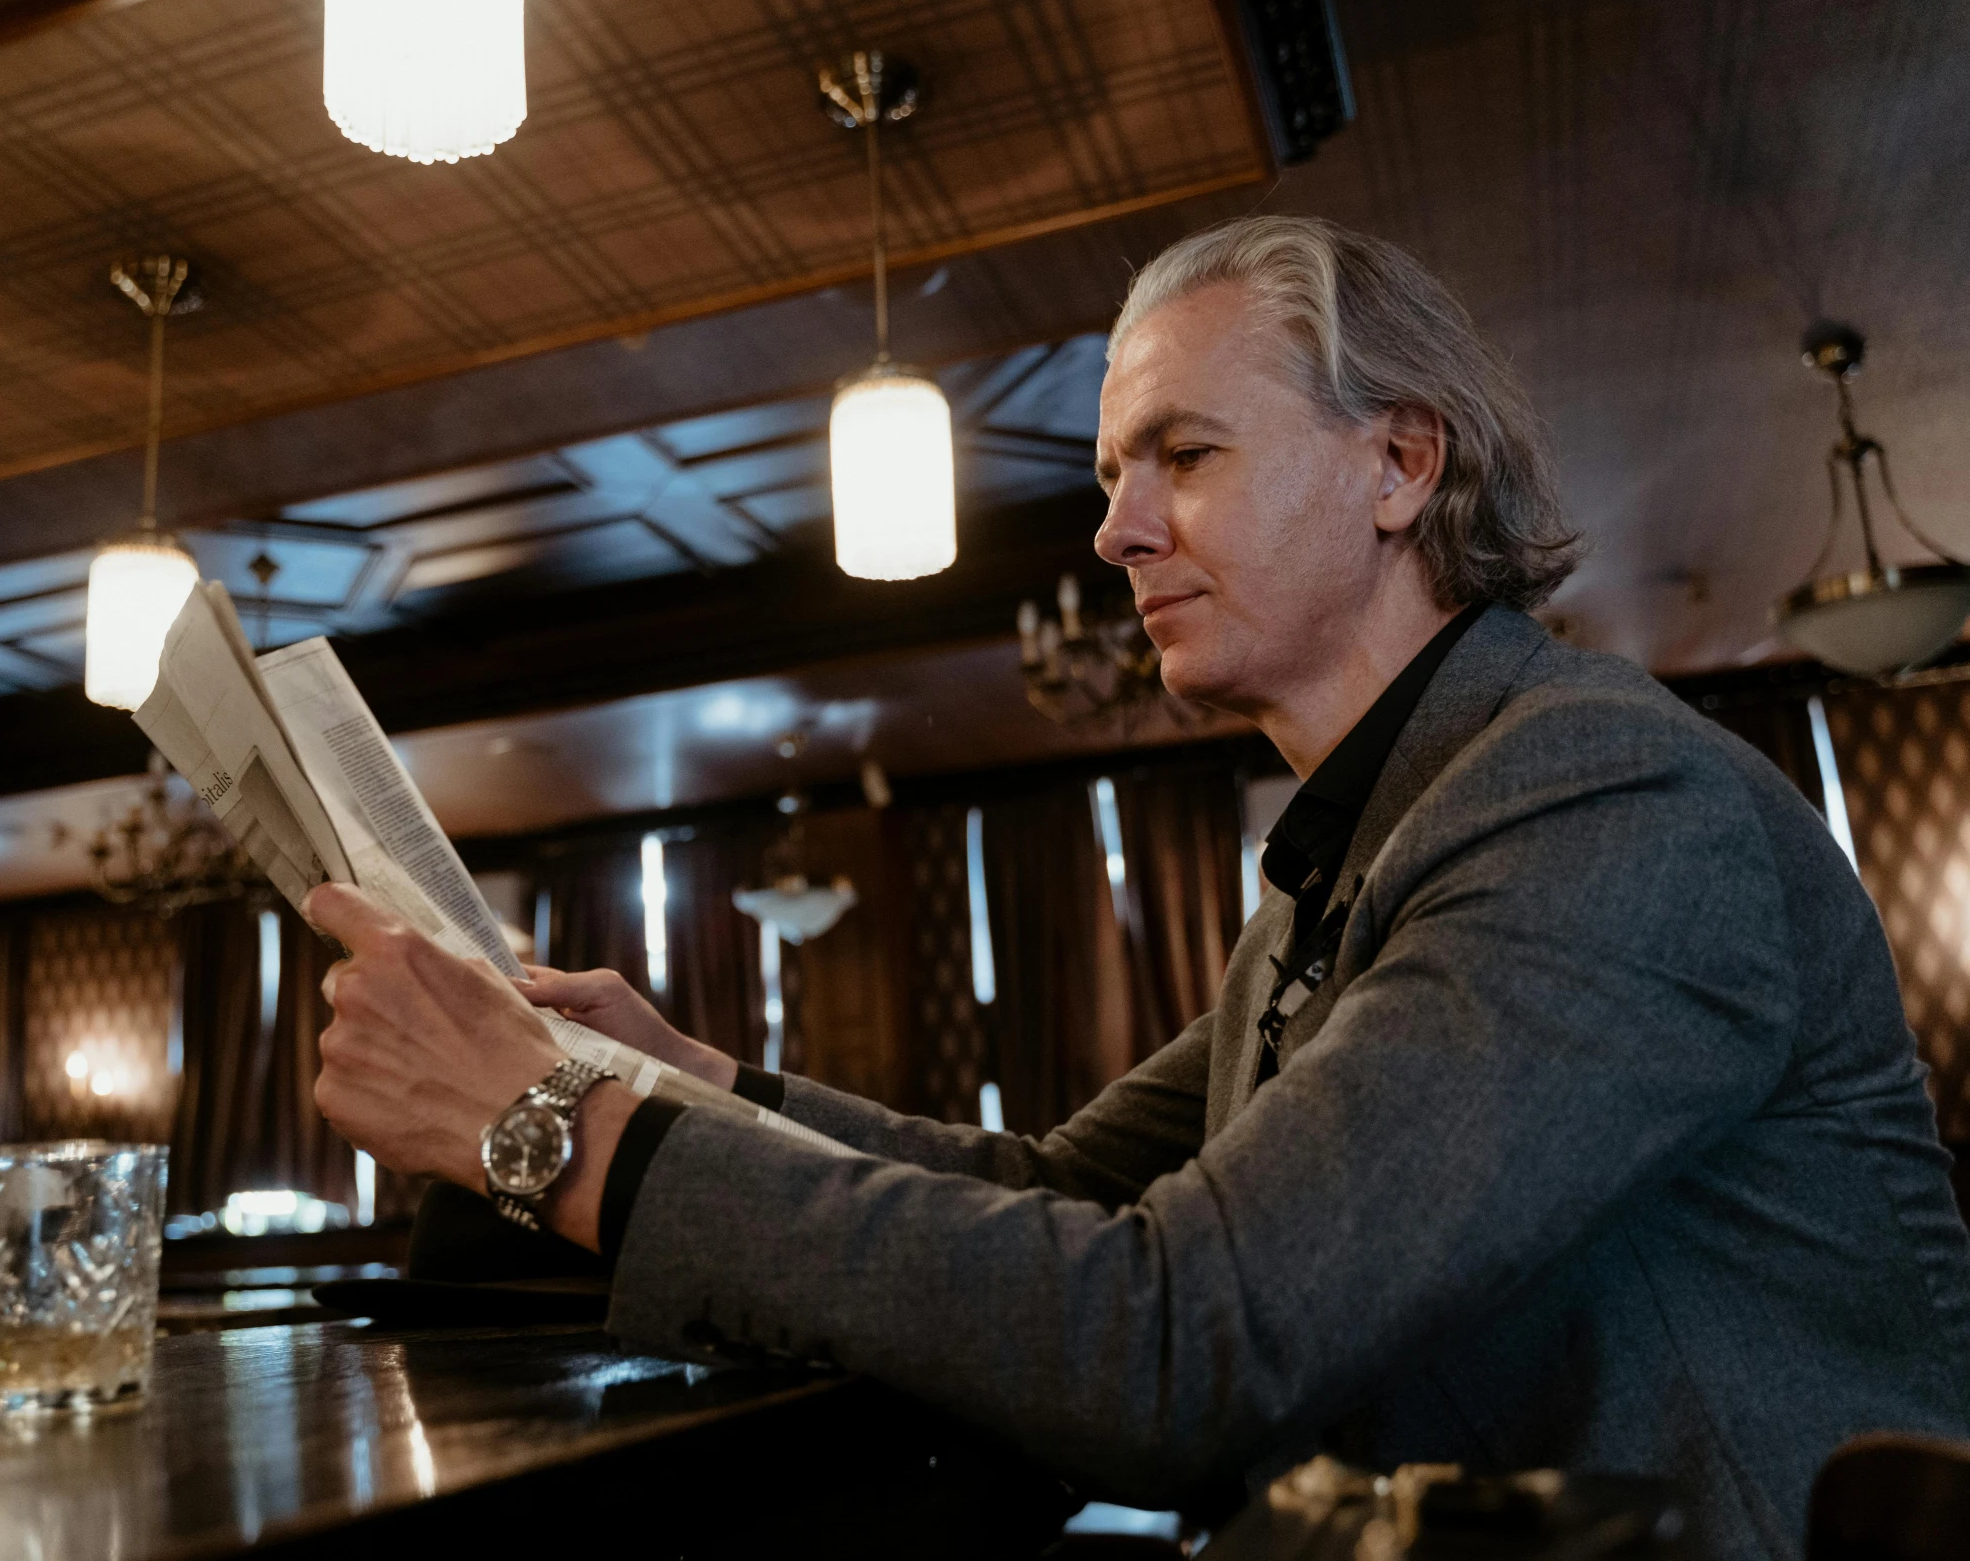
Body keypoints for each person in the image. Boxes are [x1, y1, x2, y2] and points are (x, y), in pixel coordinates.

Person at [302, 215, 1970, 1560]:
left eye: (1180, 453)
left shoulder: (1602, 797)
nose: (1114, 530)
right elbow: (1066, 1186)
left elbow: (1188, 1342)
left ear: (1398, 466)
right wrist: (679, 1080)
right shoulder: (1376, 836)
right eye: (1112, 471)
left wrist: (563, 1136)